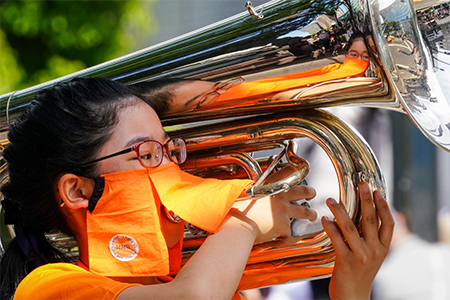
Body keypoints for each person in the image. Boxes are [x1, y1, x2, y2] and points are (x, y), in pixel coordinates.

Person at [0, 77, 393, 300]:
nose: (175, 169)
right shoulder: (49, 287)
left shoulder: (218, 288)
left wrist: (352, 289)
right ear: (79, 191)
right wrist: (243, 220)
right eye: (149, 154)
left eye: (172, 151)